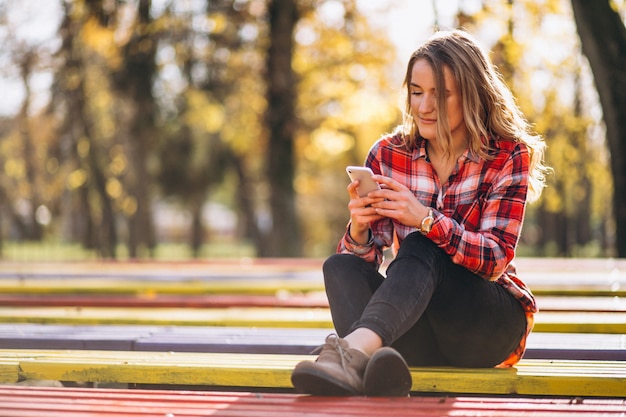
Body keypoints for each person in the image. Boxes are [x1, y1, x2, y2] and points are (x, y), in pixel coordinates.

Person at [291, 29, 549, 397]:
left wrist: (426, 219)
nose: (424, 106)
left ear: (471, 94)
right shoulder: (388, 154)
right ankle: (382, 367)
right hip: (418, 330)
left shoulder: (508, 155)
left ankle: (351, 351)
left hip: (485, 329)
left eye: (441, 94)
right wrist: (361, 228)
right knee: (339, 266)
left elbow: (494, 259)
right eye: (416, 92)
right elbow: (363, 261)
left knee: (423, 245)